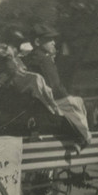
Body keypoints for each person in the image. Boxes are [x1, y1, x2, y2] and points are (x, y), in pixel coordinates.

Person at [23, 24, 91, 152]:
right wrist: (69, 96)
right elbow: (55, 87)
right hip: (50, 103)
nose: (54, 42)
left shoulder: (28, 59)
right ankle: (81, 138)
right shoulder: (45, 60)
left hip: (35, 104)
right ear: (38, 42)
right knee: (77, 103)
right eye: (49, 40)